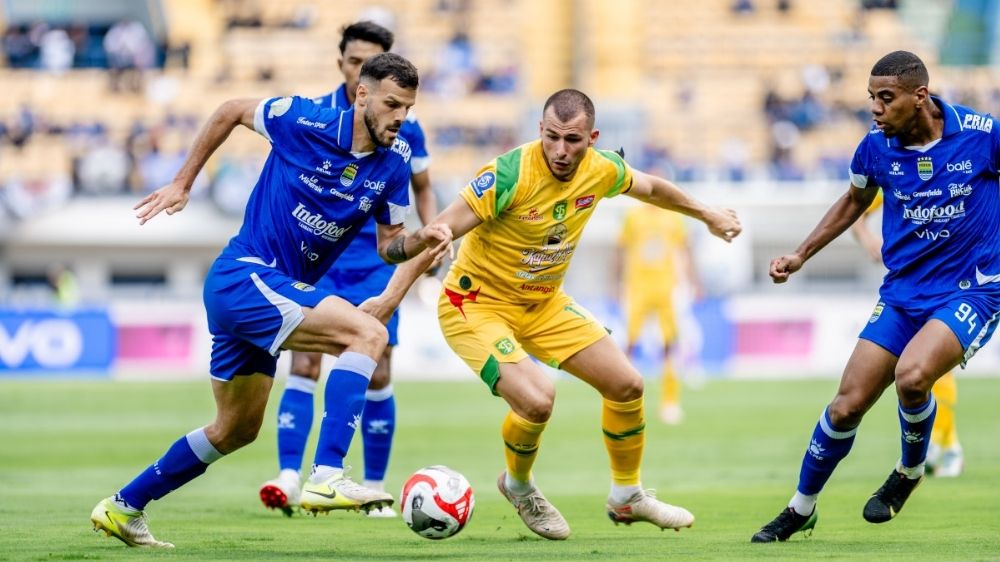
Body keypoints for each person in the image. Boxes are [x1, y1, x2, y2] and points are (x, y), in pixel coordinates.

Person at [89, 52, 452, 548]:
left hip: (262, 294)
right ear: (362, 94)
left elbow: (390, 245)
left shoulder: (394, 164)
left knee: (235, 429)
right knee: (367, 332)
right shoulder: (304, 119)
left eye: (408, 108)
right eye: (392, 105)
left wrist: (422, 240)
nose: (401, 118)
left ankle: (123, 506)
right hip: (245, 276)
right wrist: (182, 182)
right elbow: (231, 109)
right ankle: (326, 474)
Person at [364, 88, 742, 540]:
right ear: (540, 131)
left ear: (592, 138)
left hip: (543, 304)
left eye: (574, 141)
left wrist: (708, 214)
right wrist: (389, 300)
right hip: (476, 305)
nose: (561, 151)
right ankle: (519, 485)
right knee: (538, 399)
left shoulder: (601, 169)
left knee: (627, 385)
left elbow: (653, 188)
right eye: (553, 138)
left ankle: (627, 496)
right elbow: (436, 235)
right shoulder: (506, 175)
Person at [753, 50, 1000, 543]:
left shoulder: (982, 134)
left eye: (886, 99)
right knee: (846, 405)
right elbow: (854, 201)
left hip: (972, 290)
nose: (875, 109)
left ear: (920, 96)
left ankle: (908, 473)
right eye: (871, 98)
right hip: (903, 293)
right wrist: (802, 254)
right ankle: (800, 507)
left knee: (912, 376)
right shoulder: (874, 148)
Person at [258, 20, 438, 518]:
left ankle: (374, 485)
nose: (360, 67)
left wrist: (434, 233)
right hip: (320, 260)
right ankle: (290, 476)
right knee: (306, 362)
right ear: (342, 64)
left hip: (379, 260)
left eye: (370, 60)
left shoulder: (404, 126)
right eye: (354, 59)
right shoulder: (317, 117)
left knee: (377, 369)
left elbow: (422, 187)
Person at [851, 190, 964, 478]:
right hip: (905, 287)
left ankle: (944, 446)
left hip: (950, 285)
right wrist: (869, 242)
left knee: (936, 371)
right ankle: (940, 446)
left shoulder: (955, 164)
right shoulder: (894, 169)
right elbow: (855, 213)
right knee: (911, 375)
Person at [615, 204, 701, 425]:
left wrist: (693, 280)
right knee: (630, 344)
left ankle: (669, 402)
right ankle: (621, 399)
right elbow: (621, 249)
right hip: (638, 288)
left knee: (669, 345)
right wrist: (616, 282)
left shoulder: (674, 217)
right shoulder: (633, 215)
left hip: (666, 287)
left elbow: (685, 248)